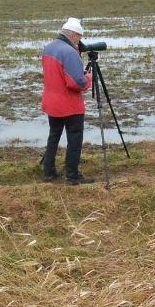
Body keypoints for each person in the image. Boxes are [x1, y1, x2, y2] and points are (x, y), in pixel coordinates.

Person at [41, 17, 93, 185]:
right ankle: (72, 175)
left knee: (54, 136)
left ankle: (48, 171)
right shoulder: (69, 52)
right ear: (73, 35)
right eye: (78, 37)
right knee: (74, 139)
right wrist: (89, 79)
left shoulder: (49, 48)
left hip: (52, 102)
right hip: (69, 105)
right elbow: (75, 83)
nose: (79, 41)